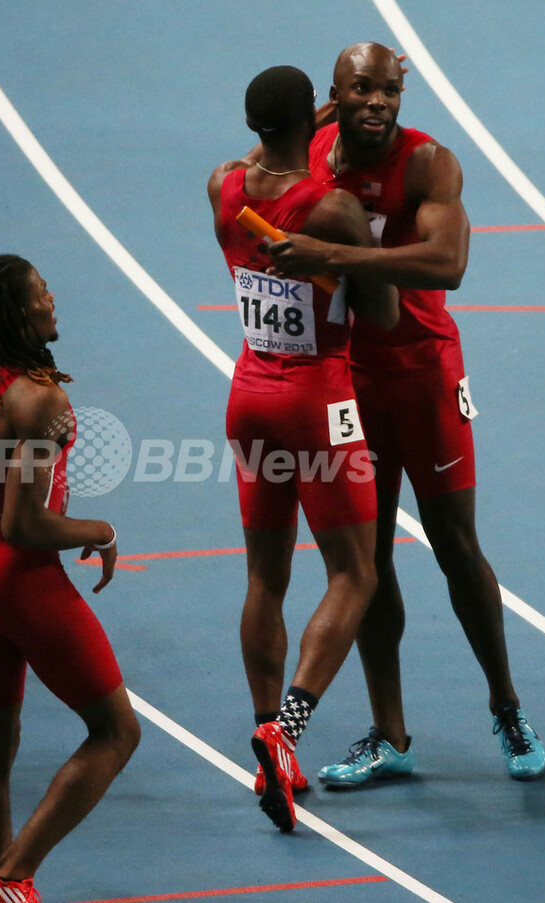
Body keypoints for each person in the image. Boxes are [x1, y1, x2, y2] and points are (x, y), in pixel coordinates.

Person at [267, 43, 545, 784]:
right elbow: (249, 180)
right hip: (347, 384)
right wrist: (308, 124)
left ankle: (507, 705)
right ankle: (389, 732)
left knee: (456, 542)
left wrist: (340, 252)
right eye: (361, 90)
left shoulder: (429, 165)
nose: (378, 103)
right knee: (371, 561)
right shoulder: (314, 154)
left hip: (424, 374)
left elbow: (448, 264)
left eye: (389, 91)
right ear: (335, 95)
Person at [0, 254, 140, 903]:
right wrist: (100, 530)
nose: (53, 300)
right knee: (117, 731)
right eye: (42, 293)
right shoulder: (38, 400)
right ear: (18, 313)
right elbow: (27, 524)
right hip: (22, 584)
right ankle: (13, 871)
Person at [208, 66, 399, 832]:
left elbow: (262, 157)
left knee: (266, 575)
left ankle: (265, 731)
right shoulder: (336, 209)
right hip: (319, 400)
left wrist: (309, 114)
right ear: (312, 124)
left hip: (248, 394)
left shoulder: (223, 185)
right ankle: (284, 731)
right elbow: (382, 314)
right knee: (356, 571)